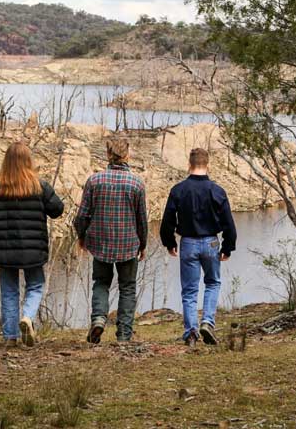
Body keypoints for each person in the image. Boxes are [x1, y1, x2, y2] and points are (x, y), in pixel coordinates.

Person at [0, 142, 64, 346]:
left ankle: (10, 337)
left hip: (4, 250)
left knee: (9, 291)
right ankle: (28, 317)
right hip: (33, 250)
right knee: (36, 285)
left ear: (6, 162)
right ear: (28, 161)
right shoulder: (40, 186)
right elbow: (58, 209)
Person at [160, 148, 237, 346]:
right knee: (212, 282)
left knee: (189, 290)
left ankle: (191, 332)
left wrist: (169, 242)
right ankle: (207, 323)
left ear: (189, 164)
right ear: (207, 164)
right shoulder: (217, 190)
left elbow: (168, 220)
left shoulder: (179, 190)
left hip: (188, 243)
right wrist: (227, 246)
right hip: (211, 241)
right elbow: (228, 222)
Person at [74, 138, 148, 343]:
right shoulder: (136, 183)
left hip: (100, 243)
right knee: (127, 288)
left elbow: (82, 216)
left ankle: (98, 318)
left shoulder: (94, 181)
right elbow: (141, 219)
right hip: (128, 244)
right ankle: (124, 334)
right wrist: (143, 245)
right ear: (127, 156)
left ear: (108, 155)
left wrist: (82, 237)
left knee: (101, 282)